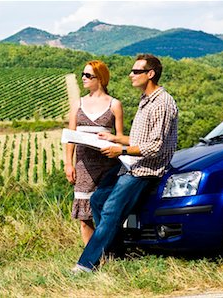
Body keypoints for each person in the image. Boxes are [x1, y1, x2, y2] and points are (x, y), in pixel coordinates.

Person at [72, 54, 178, 273]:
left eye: (136, 71)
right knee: (99, 199)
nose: (130, 74)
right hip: (133, 164)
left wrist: (118, 150)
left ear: (150, 74)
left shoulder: (162, 103)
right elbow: (139, 139)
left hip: (147, 169)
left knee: (110, 209)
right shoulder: (145, 100)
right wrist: (115, 138)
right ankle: (115, 254)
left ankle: (86, 264)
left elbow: (154, 147)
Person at [65, 60, 124, 246]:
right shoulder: (77, 104)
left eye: (88, 75)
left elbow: (120, 137)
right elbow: (70, 136)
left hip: (108, 165)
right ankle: (90, 257)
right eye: (83, 74)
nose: (83, 78)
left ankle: (109, 252)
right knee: (84, 218)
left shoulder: (115, 105)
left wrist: (110, 138)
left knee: (106, 212)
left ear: (100, 78)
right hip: (83, 166)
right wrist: (68, 163)